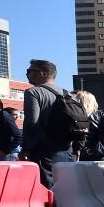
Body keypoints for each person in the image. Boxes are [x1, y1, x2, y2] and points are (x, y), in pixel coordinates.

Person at [20, 59, 78, 187]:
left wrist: (26, 149)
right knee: (66, 189)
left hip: (44, 151)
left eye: (29, 71)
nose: (27, 74)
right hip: (68, 150)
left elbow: (32, 122)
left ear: (41, 73)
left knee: (47, 190)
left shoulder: (33, 92)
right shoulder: (68, 94)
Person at [70, 90, 104, 162]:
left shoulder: (74, 115)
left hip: (81, 154)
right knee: (101, 173)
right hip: (100, 152)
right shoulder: (101, 114)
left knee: (82, 173)